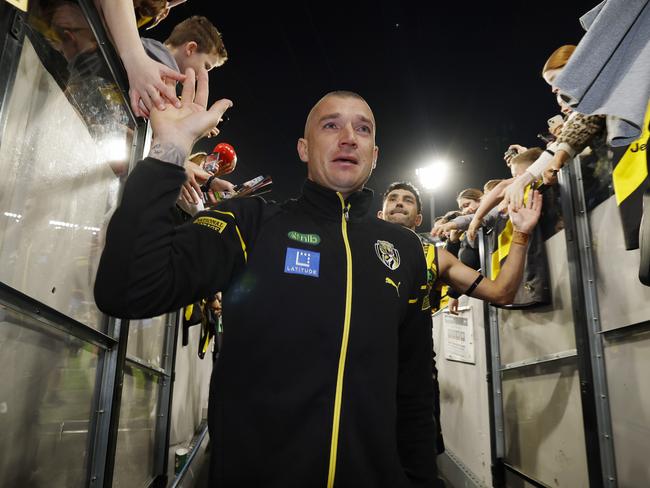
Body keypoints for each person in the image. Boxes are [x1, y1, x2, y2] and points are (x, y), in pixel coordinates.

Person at [94, 75, 541, 486]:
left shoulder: (406, 251)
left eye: (362, 129)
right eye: (331, 126)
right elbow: (129, 289)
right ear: (304, 148)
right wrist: (170, 150)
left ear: (375, 154)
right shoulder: (251, 222)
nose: (349, 138)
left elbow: (414, 390)